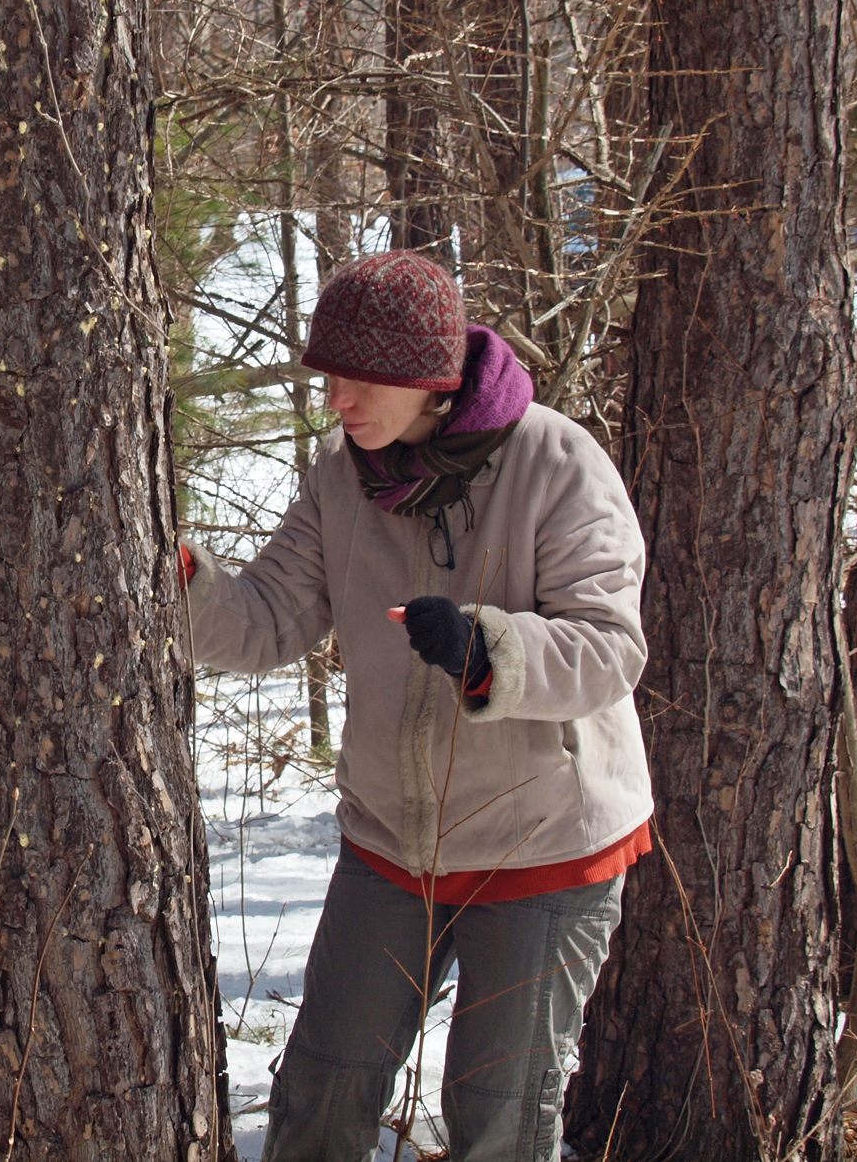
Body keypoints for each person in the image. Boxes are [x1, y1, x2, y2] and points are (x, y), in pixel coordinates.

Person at [182, 251, 651, 1162]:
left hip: (545, 845)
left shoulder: (555, 461)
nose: (337, 401)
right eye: (329, 378)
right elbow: (269, 617)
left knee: (497, 1116)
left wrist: (490, 649)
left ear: (427, 380)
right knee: (321, 1089)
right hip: (391, 842)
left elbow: (609, 648)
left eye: (359, 380)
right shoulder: (339, 477)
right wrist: (182, 581)